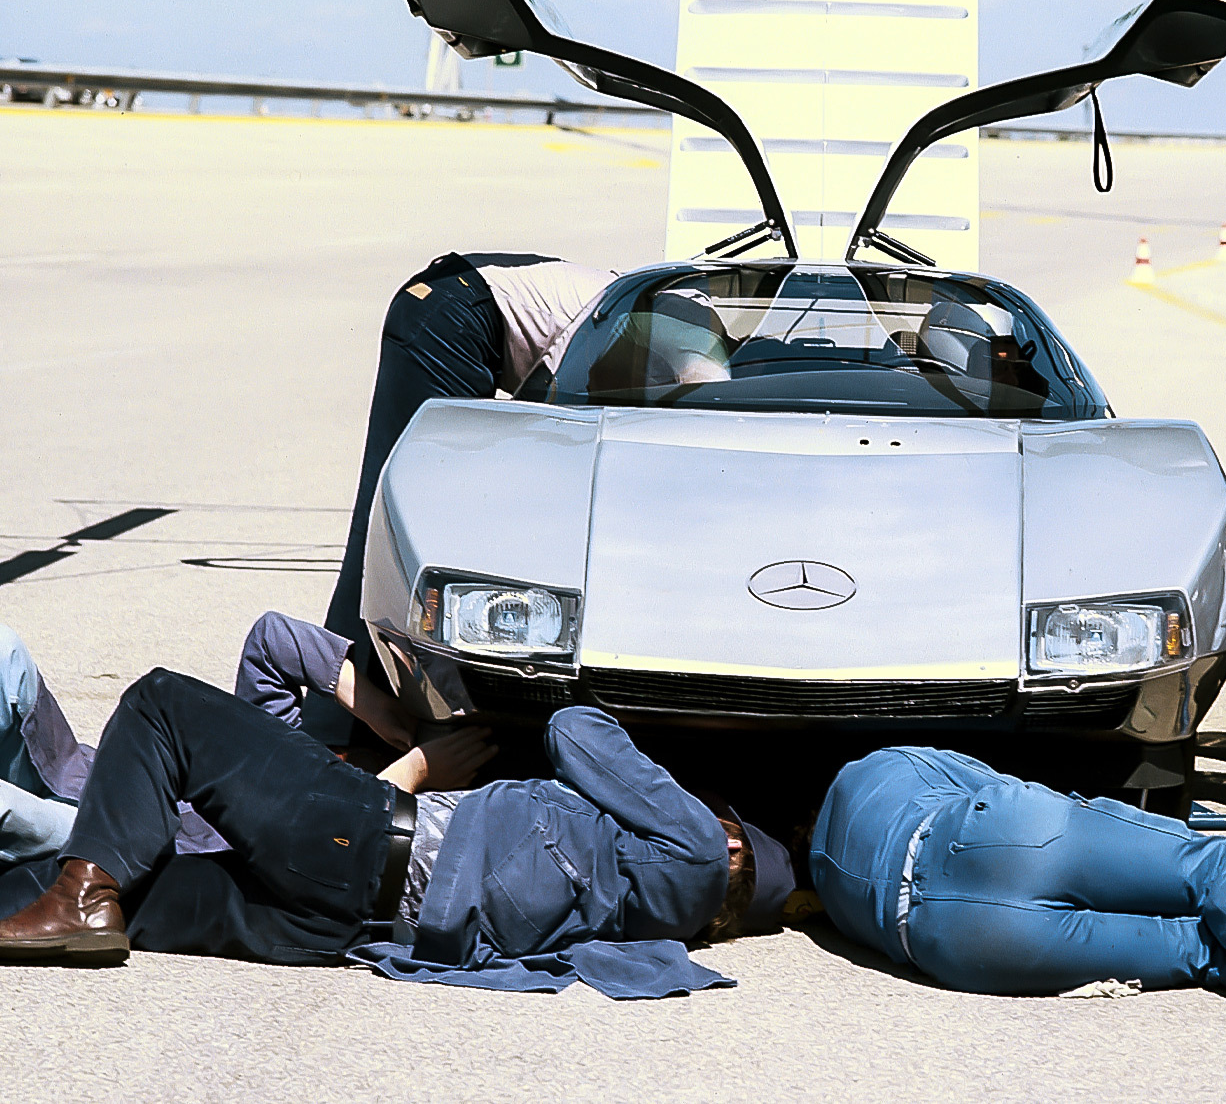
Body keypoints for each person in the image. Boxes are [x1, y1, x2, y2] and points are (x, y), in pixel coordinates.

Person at [0, 667, 792, 1000]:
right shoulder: (655, 920)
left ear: (732, 846)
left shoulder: (694, 843)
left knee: (160, 705)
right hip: (343, 925)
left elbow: (576, 730)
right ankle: (76, 899)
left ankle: (80, 899)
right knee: (128, 892)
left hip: (360, 839)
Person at [810, 745, 1226, 1020]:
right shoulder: (870, 766)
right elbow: (999, 787)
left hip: (957, 943)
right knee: (1219, 869)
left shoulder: (825, 890)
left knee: (1202, 950)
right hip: (994, 836)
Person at [323, 252, 619, 739]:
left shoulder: (669, 319)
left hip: (457, 309)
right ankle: (338, 731)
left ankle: (370, 722)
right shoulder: (671, 330)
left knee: (419, 530)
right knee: (406, 529)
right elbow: (549, 404)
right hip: (448, 314)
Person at [0, 611, 421, 866]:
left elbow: (337, 831)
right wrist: (381, 712)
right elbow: (272, 638)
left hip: (108, 838)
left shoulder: (327, 837)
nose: (348, 757)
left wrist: (406, 778)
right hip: (67, 769)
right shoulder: (288, 754)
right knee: (5, 648)